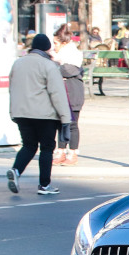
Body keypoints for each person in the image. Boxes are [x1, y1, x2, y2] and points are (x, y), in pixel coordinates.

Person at [6, 33, 72, 196]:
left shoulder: (18, 63)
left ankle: (16, 170)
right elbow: (57, 94)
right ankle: (44, 185)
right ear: (47, 48)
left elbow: (12, 88)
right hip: (45, 114)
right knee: (47, 148)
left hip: (22, 113)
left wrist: (13, 111)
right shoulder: (49, 66)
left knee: (28, 145)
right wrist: (65, 117)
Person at [51, 24, 85, 166]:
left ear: (64, 43)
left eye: (56, 43)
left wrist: (55, 63)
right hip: (63, 95)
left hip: (72, 95)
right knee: (60, 123)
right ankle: (61, 150)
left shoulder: (71, 55)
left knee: (71, 124)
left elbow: (66, 70)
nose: (54, 47)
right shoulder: (62, 57)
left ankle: (72, 152)